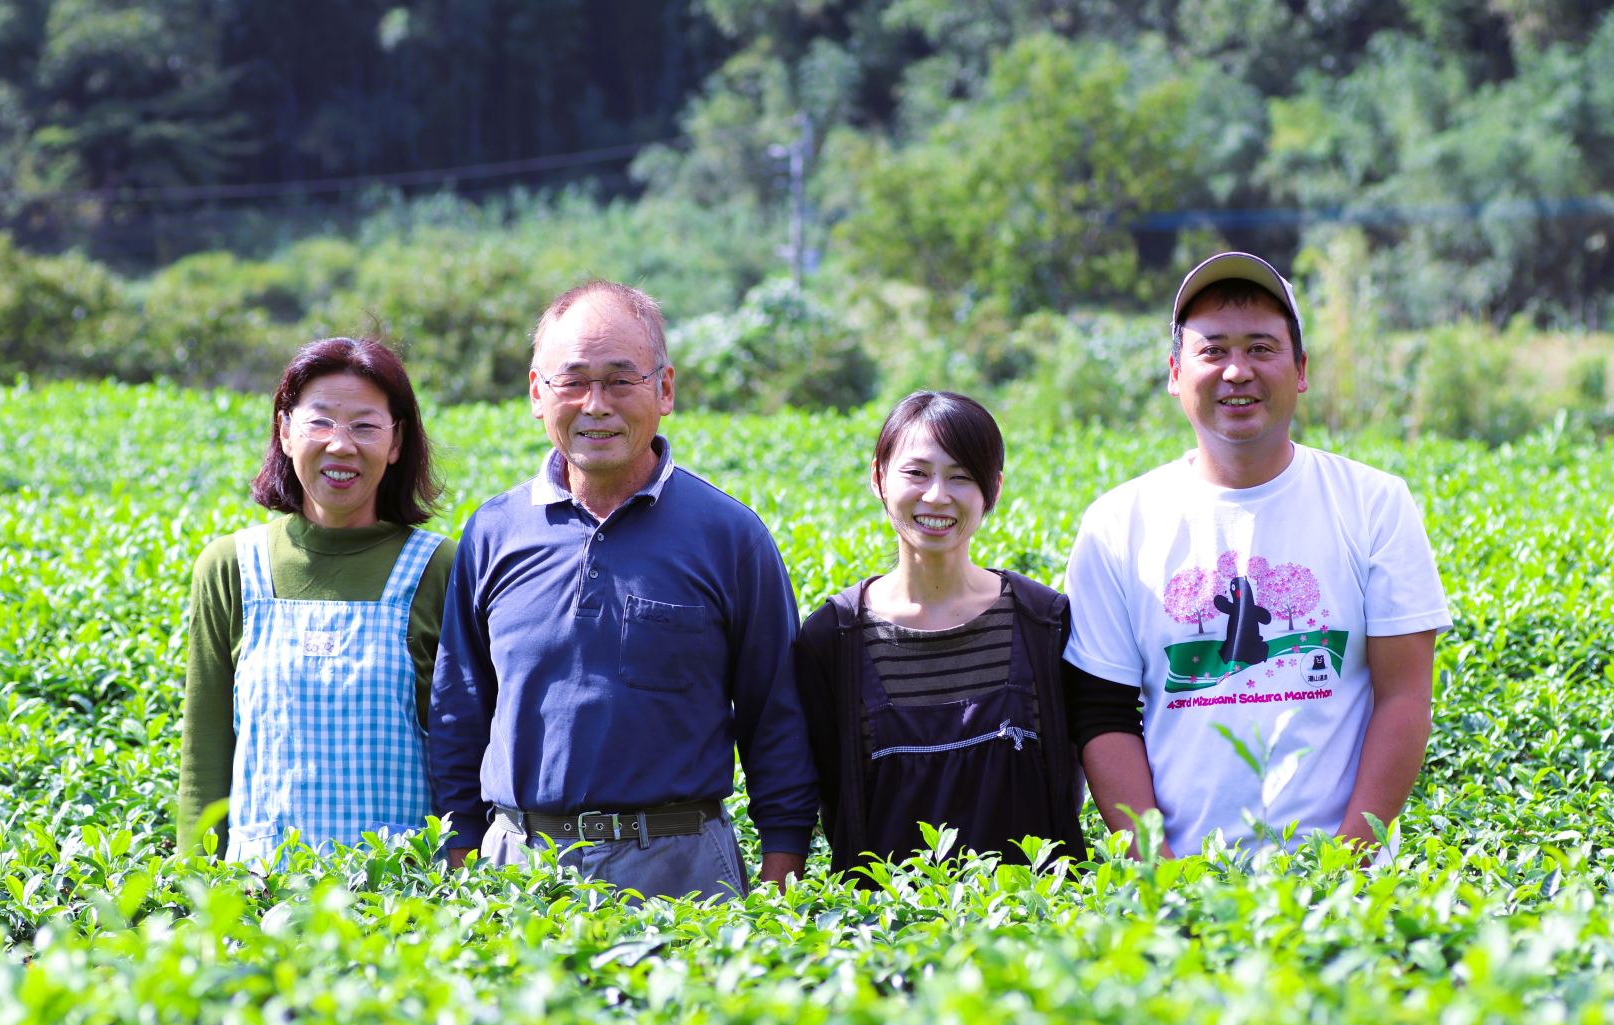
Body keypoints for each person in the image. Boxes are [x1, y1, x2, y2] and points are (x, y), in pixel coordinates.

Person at [427, 279, 817, 899]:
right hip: (518, 867)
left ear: (664, 390)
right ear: (536, 393)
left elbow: (777, 718)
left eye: (620, 380)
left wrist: (783, 871)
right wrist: (459, 856)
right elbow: (460, 711)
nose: (595, 404)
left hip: (681, 865)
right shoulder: (492, 533)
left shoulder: (729, 534)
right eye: (573, 381)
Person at [1064, 252, 1450, 860]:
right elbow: (1103, 713)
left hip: (1342, 886)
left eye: (1261, 349)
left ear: (1300, 370)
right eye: (1212, 350)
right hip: (1179, 884)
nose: (1236, 371)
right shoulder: (1117, 524)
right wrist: (1161, 875)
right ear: (1175, 372)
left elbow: (1404, 695)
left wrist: (1345, 863)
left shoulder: (1375, 503)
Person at [795, 392, 1110, 875]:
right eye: (916, 473)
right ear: (878, 476)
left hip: (1038, 928)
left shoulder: (1044, 623)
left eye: (961, 477)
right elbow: (811, 795)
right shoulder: (832, 638)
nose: (937, 495)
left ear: (994, 489)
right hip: (882, 935)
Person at [179, 337, 455, 862]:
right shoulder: (230, 568)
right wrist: (196, 895)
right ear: (285, 431)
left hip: (401, 910)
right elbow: (204, 756)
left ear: (396, 443)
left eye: (366, 426)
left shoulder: (439, 569)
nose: (341, 445)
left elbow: (462, 757)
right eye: (320, 421)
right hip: (258, 900)